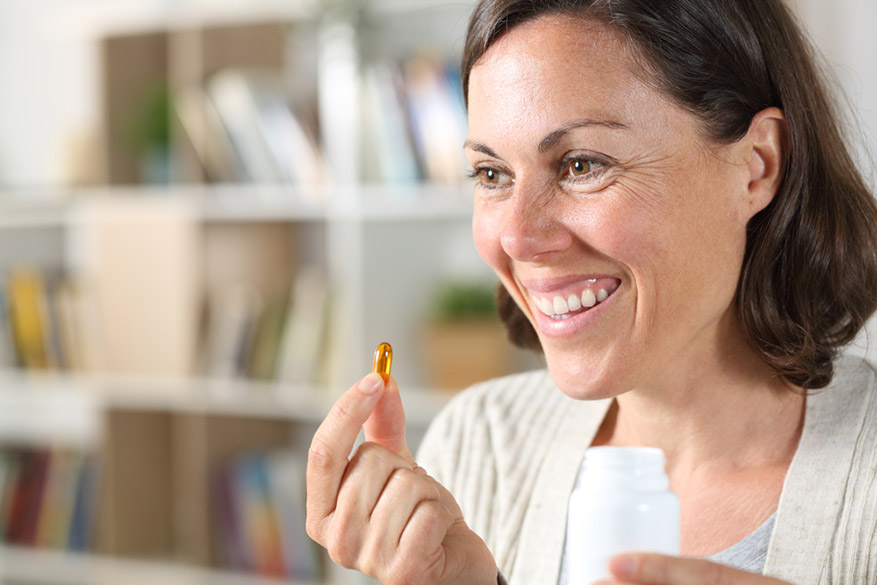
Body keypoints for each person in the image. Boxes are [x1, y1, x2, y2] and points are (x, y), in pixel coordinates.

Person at [306, 0, 877, 583]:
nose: (519, 238)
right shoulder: (479, 450)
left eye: (581, 165)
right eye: (492, 175)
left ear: (758, 165)